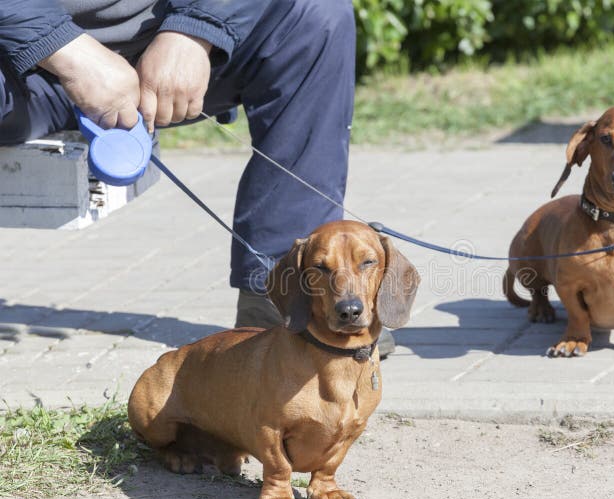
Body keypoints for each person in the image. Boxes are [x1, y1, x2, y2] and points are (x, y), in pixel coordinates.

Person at [0, 0, 395, 356]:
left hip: (165, 51)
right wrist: (66, 52)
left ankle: (283, 297)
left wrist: (196, 28)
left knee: (315, 18)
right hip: (19, 63)